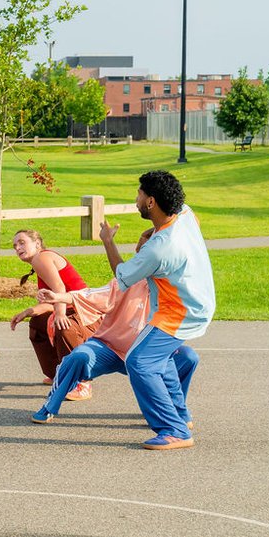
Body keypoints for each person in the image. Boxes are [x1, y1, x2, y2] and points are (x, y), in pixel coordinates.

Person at [30, 229, 199, 426]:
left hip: (144, 352)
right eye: (139, 252)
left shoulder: (171, 287)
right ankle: (50, 406)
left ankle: (171, 409)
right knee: (78, 357)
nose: (140, 257)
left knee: (188, 357)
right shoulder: (126, 281)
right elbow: (92, 295)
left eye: (145, 253)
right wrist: (59, 297)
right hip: (108, 347)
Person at [99, 170, 215, 451]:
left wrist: (107, 240)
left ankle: (174, 430)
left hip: (180, 312)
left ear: (151, 202)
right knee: (157, 359)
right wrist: (151, 232)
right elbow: (193, 220)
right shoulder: (183, 214)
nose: (135, 198)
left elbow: (123, 275)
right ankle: (181, 416)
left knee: (138, 360)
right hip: (198, 299)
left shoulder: (159, 249)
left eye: (139, 194)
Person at [9, 229, 96, 398]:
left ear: (37, 244)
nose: (17, 247)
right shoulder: (39, 261)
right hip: (73, 309)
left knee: (64, 326)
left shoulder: (42, 257)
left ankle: (81, 383)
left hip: (88, 315)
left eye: (21, 242)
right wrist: (28, 312)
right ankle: (58, 372)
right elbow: (49, 304)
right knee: (37, 321)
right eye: (14, 246)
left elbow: (59, 289)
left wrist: (60, 315)